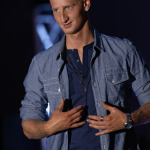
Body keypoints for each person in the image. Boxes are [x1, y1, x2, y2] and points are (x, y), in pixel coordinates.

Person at [20, 0, 150, 149]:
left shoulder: (123, 51)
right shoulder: (41, 63)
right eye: (56, 10)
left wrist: (129, 119)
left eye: (68, 8)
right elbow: (28, 125)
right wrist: (48, 127)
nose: (63, 18)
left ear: (86, 4)